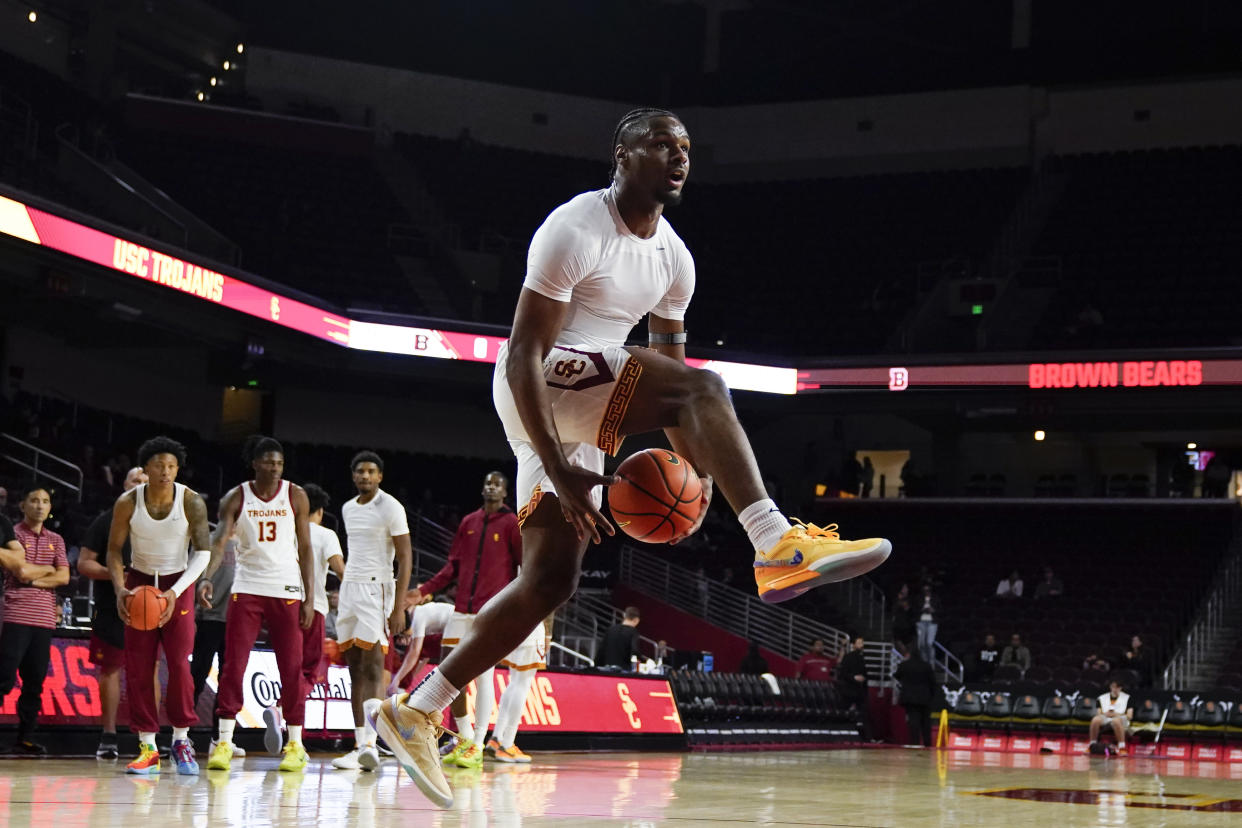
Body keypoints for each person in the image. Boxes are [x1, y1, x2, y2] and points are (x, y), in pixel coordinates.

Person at [370, 108, 891, 809]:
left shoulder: (676, 260)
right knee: (708, 385)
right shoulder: (575, 226)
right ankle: (773, 539)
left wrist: (697, 478)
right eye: (660, 143)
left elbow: (666, 375)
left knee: (551, 578)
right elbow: (525, 352)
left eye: (685, 147)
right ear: (622, 154)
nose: (678, 156)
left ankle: (418, 708)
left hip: (593, 403)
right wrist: (556, 463)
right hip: (537, 381)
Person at [203, 436, 315, 773]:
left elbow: (306, 548)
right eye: (268, 461)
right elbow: (220, 539)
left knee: (291, 668)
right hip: (248, 586)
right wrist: (207, 576)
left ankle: (295, 743)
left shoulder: (295, 494)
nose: (275, 467)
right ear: (255, 463)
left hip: (286, 587)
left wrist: (309, 596)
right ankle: (224, 741)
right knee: (234, 664)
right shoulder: (236, 496)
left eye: (279, 463)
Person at [402, 471, 522, 770]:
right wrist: (423, 590)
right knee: (450, 672)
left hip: (491, 612)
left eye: (497, 483)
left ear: (505, 492)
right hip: (460, 610)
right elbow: (452, 566)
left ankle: (478, 743)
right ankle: (465, 737)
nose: (490, 487)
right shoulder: (469, 522)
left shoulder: (511, 524)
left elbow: (522, 568)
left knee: (483, 676)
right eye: (487, 482)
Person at [106, 437, 212, 775]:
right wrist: (121, 588)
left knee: (180, 666)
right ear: (145, 468)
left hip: (176, 582)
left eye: (171, 466)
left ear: (177, 469)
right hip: (138, 583)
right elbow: (112, 551)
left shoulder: (191, 501)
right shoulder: (127, 502)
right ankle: (148, 747)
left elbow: (204, 553)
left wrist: (176, 592)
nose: (165, 471)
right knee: (139, 668)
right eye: (158, 465)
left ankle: (182, 740)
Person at [331, 451, 412, 771]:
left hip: (377, 589)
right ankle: (358, 745)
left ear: (380, 477)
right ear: (353, 476)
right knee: (354, 669)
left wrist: (398, 606)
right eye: (360, 471)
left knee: (374, 665)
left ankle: (372, 744)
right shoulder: (348, 508)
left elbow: (405, 557)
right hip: (349, 589)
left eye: (371, 472)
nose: (365, 476)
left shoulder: (391, 506)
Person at [77, 465, 146, 759]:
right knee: (111, 670)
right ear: (124, 484)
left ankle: (148, 737)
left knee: (150, 672)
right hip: (111, 608)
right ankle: (108, 736)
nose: (140, 484)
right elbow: (83, 564)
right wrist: (118, 576)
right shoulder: (106, 521)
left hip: (150, 609)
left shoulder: (163, 523)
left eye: (145, 481)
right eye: (134, 479)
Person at [0, 487, 70, 754]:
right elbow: (19, 572)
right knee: (3, 678)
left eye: (45, 501)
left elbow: (63, 577)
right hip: (15, 614)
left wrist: (34, 578)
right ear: (22, 505)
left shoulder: (57, 539)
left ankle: (25, 737)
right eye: (34, 501)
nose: (40, 506)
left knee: (35, 681)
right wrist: (47, 571)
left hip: (43, 619)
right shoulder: (12, 533)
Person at [191, 523, 245, 759]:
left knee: (229, 680)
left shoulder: (249, 543)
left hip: (239, 621)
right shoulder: (209, 541)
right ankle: (183, 735)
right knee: (197, 675)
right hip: (208, 618)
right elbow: (193, 575)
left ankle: (220, 738)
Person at [302, 484, 345, 699]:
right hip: (314, 607)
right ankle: (281, 709)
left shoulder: (285, 531)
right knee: (310, 670)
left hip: (282, 605)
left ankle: (287, 721)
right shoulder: (326, 535)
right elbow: (340, 570)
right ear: (320, 512)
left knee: (287, 666)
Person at [388, 597, 454, 695]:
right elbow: (425, 656)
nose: (406, 640)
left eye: (404, 637)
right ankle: (401, 684)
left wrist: (396, 681)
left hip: (457, 628)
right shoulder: (421, 614)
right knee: (421, 647)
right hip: (457, 627)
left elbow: (415, 653)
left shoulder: (417, 619)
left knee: (414, 649)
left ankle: (398, 685)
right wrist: (411, 677)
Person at [893, 645, 936, 747]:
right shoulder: (927, 666)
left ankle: (915, 743)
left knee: (913, 721)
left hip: (910, 697)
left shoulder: (904, 665)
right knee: (926, 722)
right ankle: (927, 743)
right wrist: (931, 696)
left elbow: (896, 675)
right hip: (925, 697)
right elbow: (933, 682)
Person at [837, 636, 873, 741]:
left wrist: (864, 681)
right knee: (844, 712)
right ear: (853, 645)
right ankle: (841, 735)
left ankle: (867, 738)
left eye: (862, 643)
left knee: (864, 714)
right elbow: (842, 673)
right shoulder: (848, 657)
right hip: (849, 690)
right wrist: (854, 678)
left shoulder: (862, 657)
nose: (861, 645)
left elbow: (864, 674)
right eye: (859, 643)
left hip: (859, 691)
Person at [1088, 680, 1133, 754]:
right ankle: (1092, 745)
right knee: (1095, 720)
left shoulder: (1127, 698)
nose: (1115, 689)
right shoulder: (1102, 698)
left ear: (1120, 688)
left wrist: (1116, 714)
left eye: (1117, 687)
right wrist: (1106, 714)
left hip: (1121, 717)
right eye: (1113, 687)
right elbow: (1099, 713)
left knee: (1116, 721)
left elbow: (1130, 716)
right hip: (1106, 717)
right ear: (1110, 687)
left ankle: (1122, 747)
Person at [915, 583, 938, 663]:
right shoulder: (918, 598)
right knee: (921, 644)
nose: (926, 592)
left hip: (932, 623)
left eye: (928, 590)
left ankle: (931, 662)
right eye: (925, 590)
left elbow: (941, 610)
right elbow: (915, 610)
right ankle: (923, 662)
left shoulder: (935, 598)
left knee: (929, 643)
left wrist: (933, 610)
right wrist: (923, 610)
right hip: (921, 622)